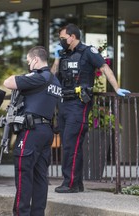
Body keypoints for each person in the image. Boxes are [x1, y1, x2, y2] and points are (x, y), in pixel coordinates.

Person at [50, 23, 131, 193]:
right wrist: (56, 58)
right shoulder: (63, 54)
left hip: (79, 104)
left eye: (63, 38)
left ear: (72, 36)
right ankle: (76, 183)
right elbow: (52, 77)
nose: (61, 41)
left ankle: (69, 183)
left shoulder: (88, 51)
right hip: (64, 103)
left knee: (70, 145)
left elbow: (105, 67)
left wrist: (116, 88)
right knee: (70, 145)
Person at [4, 46, 61, 216]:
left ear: (35, 60)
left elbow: (8, 82)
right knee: (40, 177)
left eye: (29, 61)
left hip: (31, 131)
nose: (29, 65)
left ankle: (21, 213)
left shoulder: (38, 77)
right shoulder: (55, 81)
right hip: (46, 131)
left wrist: (27, 75)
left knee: (23, 174)